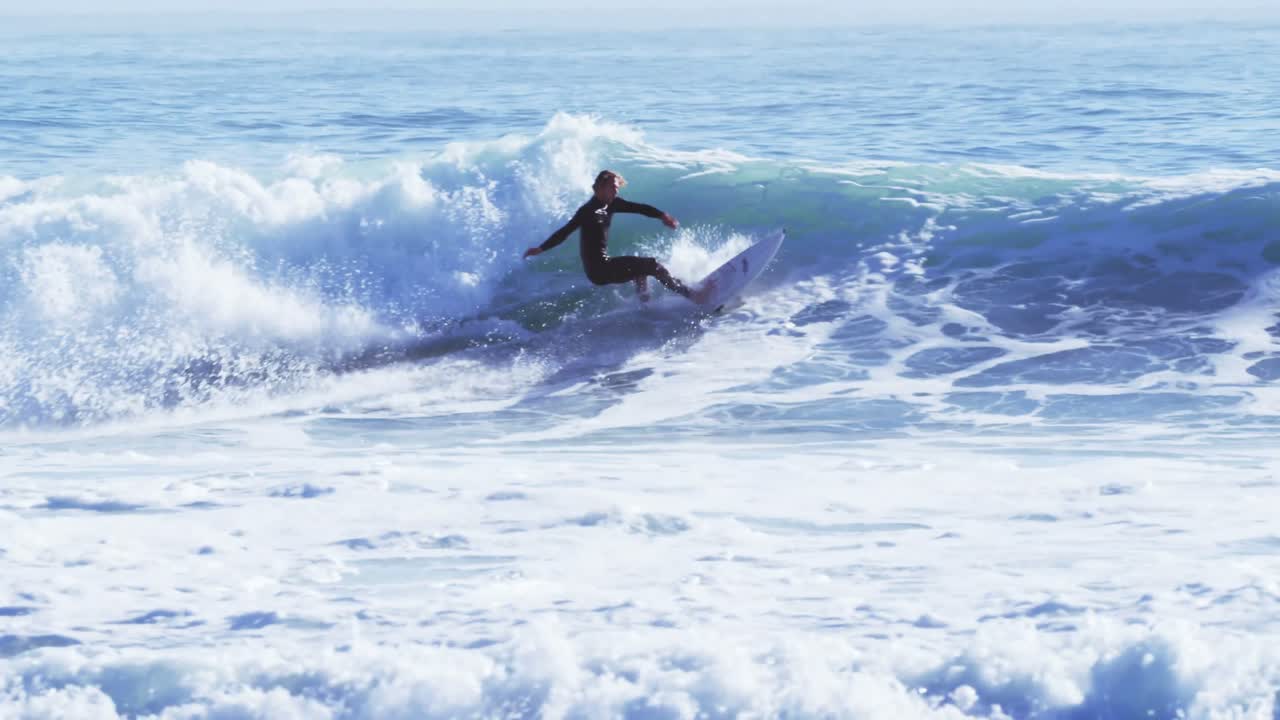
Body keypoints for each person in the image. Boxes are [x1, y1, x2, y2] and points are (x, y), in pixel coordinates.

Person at [524, 170, 699, 302]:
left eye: (617, 189)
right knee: (653, 266)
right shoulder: (587, 211)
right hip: (599, 270)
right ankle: (691, 295)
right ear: (600, 188)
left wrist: (662, 215)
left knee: (640, 271)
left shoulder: (611, 204)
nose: (616, 192)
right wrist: (541, 248)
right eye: (613, 188)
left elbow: (639, 208)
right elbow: (565, 231)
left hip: (602, 269)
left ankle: (646, 307)